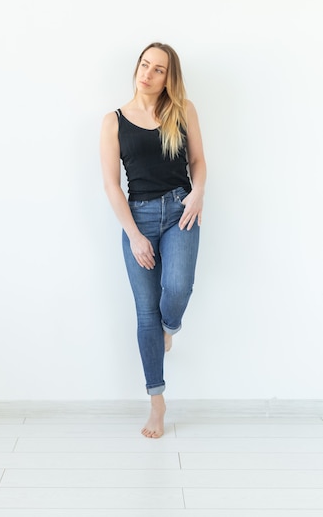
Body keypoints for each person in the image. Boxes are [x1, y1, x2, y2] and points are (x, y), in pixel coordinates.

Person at [100, 42, 206, 438]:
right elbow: (112, 185)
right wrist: (133, 235)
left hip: (182, 211)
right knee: (145, 313)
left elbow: (197, 160)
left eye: (158, 69)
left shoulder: (183, 110)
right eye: (145, 65)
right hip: (138, 217)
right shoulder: (114, 121)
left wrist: (198, 192)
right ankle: (157, 405)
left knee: (178, 287)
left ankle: (170, 329)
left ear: (168, 77)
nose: (148, 73)